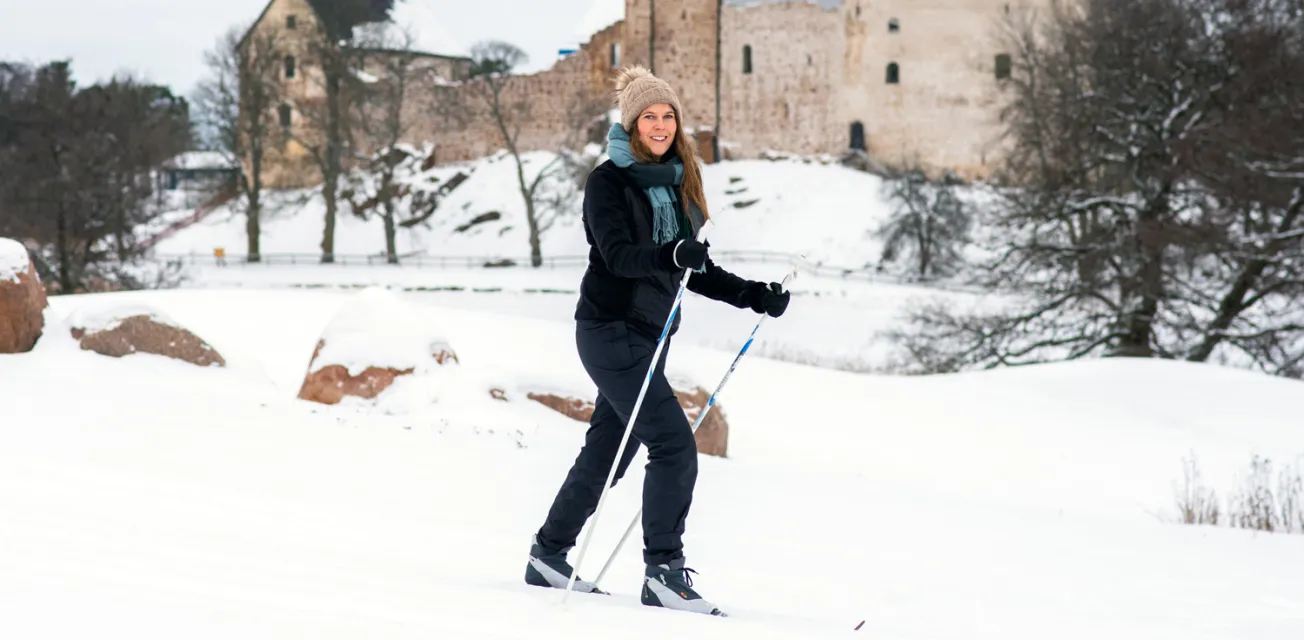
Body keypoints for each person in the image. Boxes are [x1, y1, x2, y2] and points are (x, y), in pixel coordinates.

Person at [524, 66, 791, 616]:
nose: (661, 124)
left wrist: (756, 297)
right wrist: (671, 255)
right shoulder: (609, 182)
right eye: (649, 116)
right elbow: (619, 256)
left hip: (650, 336)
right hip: (609, 329)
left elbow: (698, 270)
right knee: (673, 446)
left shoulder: (679, 184)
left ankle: (548, 555)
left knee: (608, 454)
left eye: (668, 115)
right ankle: (663, 572)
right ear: (632, 123)